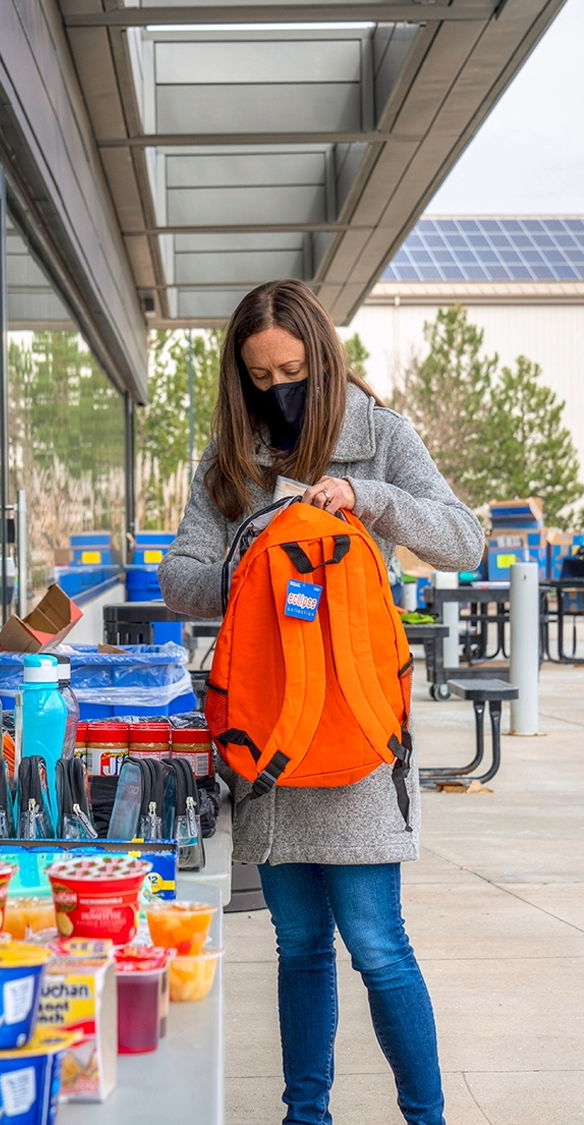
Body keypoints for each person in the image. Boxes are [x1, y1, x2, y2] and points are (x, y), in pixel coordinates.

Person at [158, 279, 483, 1125]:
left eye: (293, 370)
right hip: (266, 738)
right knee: (297, 946)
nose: (279, 391)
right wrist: (247, 554)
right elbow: (178, 578)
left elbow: (462, 537)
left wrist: (364, 498)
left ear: (323, 357)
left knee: (376, 944)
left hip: (356, 736)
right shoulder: (232, 460)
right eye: (260, 377)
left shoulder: (381, 438)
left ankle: (426, 1117)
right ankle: (304, 1116)